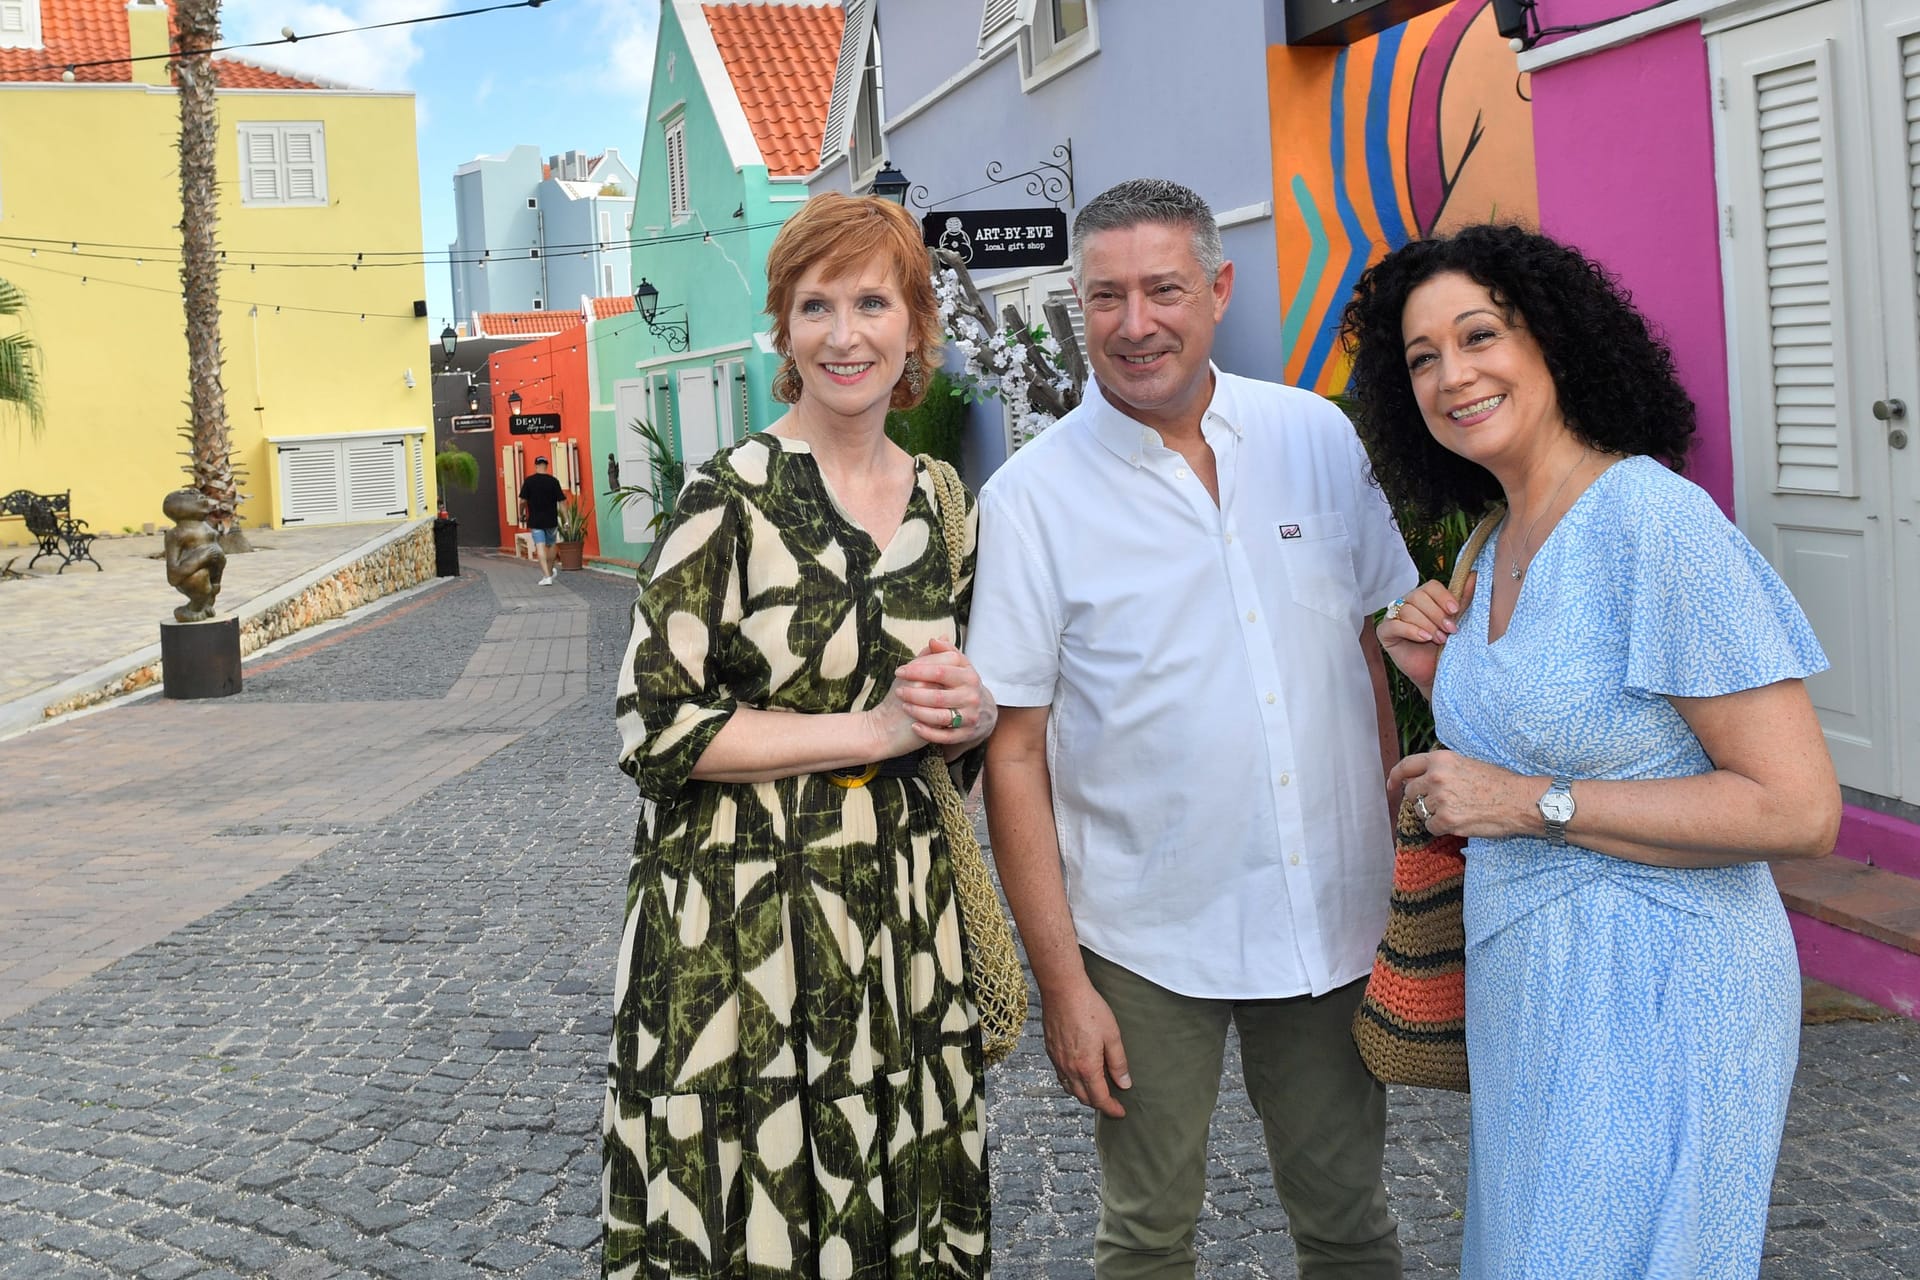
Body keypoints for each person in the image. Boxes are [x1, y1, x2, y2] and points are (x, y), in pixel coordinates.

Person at [1338, 223, 1840, 1279]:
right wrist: (1436, 682)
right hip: (1530, 990)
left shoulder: (1655, 521)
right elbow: (1542, 737)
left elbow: (1797, 808)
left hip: (1667, 987)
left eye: (1479, 335)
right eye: (1421, 357)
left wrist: (1522, 800)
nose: (1451, 374)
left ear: (1557, 341)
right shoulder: (1491, 535)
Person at [968, 177, 1414, 1279]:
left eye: (1163, 288)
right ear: (1078, 307)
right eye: (1104, 296)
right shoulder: (1031, 499)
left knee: (1350, 1223)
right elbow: (1012, 752)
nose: (1134, 324)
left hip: (1329, 917)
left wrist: (1406, 858)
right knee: (1148, 1236)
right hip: (1143, 939)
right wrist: (1064, 985)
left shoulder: (1314, 435)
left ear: (1217, 288)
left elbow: (1371, 650)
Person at [603, 192, 994, 1279]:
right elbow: (652, 723)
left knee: (893, 1189)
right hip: (739, 927)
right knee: (753, 1205)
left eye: (872, 301)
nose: (844, 333)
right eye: (814, 305)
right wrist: (865, 725)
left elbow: (951, 733)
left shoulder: (943, 501)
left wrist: (969, 712)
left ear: (915, 323)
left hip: (899, 923)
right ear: (783, 329)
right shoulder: (725, 497)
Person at [518, 456, 566, 585]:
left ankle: (547, 576)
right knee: (551, 546)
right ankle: (549, 574)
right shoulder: (553, 481)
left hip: (535, 520)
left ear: (536, 466)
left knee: (540, 547)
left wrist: (521, 513)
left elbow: (523, 501)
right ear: (547, 466)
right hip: (551, 520)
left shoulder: (529, 481)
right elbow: (562, 501)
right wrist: (566, 520)